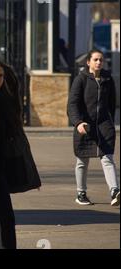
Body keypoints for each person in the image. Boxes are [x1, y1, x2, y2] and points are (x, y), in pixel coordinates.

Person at [0, 57, 42, 249]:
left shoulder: (1, 100)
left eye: (0, 76)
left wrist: (6, 71)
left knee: (7, 218)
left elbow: (13, 84)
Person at [67, 49, 120, 206]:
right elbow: (72, 104)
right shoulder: (80, 79)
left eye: (101, 60)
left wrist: (109, 121)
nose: (99, 62)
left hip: (104, 125)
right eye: (96, 59)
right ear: (88, 62)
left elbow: (112, 102)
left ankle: (115, 191)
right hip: (85, 125)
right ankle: (81, 193)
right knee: (82, 161)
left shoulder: (107, 78)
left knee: (107, 158)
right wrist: (78, 123)